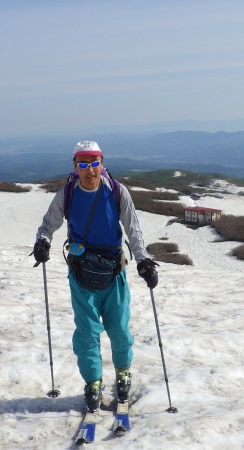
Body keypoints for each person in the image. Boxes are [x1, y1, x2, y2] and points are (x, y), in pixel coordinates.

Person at [32, 140, 159, 412]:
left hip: (114, 272)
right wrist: (42, 241)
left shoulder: (116, 191)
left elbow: (133, 229)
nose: (89, 170)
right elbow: (48, 224)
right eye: (83, 164)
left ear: (102, 164)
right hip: (81, 274)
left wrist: (143, 261)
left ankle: (123, 371)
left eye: (94, 163)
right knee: (87, 333)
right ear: (75, 166)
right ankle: (93, 382)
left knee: (119, 331)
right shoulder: (67, 194)